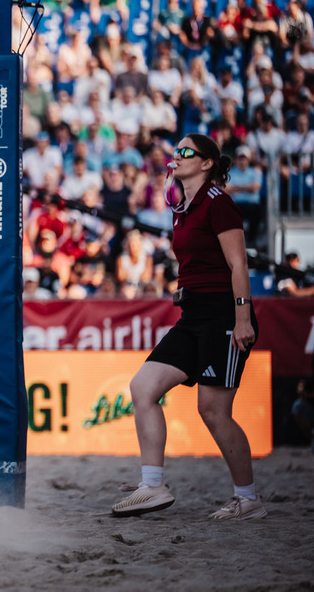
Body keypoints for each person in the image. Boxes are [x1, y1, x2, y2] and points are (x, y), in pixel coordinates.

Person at [112, 133, 265, 520]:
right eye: (174, 151)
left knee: (213, 411)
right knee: (143, 387)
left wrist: (243, 318)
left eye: (185, 152)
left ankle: (247, 499)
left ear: (207, 162)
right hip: (192, 316)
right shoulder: (183, 207)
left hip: (224, 315)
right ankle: (153, 485)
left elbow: (239, 265)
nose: (175, 157)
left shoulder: (219, 203)